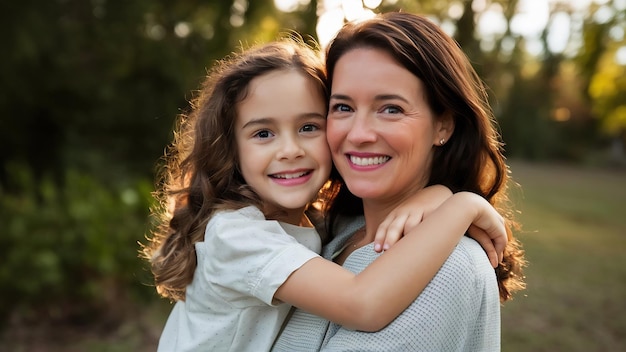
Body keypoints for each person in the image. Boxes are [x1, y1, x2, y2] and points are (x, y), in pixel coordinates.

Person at [141, 36, 508, 352]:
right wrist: (462, 205)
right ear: (231, 148)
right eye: (263, 133)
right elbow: (362, 303)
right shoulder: (238, 234)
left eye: (309, 127)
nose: (289, 150)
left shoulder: (318, 223)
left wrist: (438, 195)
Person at [272, 12, 526, 351]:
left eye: (390, 109)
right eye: (343, 107)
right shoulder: (334, 233)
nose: (359, 134)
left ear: (443, 126)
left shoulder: (448, 267)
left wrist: (455, 204)